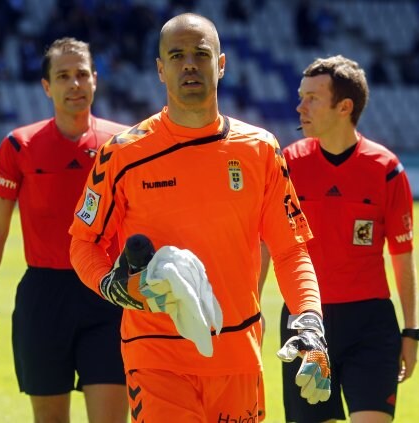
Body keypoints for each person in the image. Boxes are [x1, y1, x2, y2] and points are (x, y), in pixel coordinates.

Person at [69, 13, 330, 422]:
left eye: (200, 54)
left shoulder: (260, 150)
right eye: (176, 55)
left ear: (221, 64)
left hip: (238, 356)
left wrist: (311, 321)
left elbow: (290, 251)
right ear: (160, 69)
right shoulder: (121, 155)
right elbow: (84, 243)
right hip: (155, 353)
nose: (189, 64)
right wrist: (110, 286)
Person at [0, 37, 129, 423]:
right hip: (44, 297)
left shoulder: (126, 144)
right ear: (47, 86)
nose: (74, 84)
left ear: (95, 79)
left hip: (108, 294)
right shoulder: (19, 146)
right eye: (63, 76)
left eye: (81, 74)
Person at [278, 55, 419, 422]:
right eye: (301, 95)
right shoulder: (289, 164)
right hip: (305, 321)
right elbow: (266, 246)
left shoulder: (387, 170)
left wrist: (411, 331)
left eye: (312, 97)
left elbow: (403, 255)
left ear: (344, 107)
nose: (300, 106)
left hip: (370, 325)